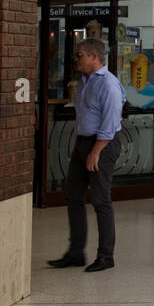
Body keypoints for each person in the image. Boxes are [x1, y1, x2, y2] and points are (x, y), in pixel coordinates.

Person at [49, 39, 126, 273]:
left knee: (101, 199)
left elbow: (110, 124)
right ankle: (75, 252)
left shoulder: (109, 84)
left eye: (80, 55)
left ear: (94, 57)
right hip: (83, 142)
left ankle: (106, 255)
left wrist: (95, 151)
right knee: (73, 194)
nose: (76, 59)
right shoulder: (83, 82)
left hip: (102, 144)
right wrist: (81, 146)